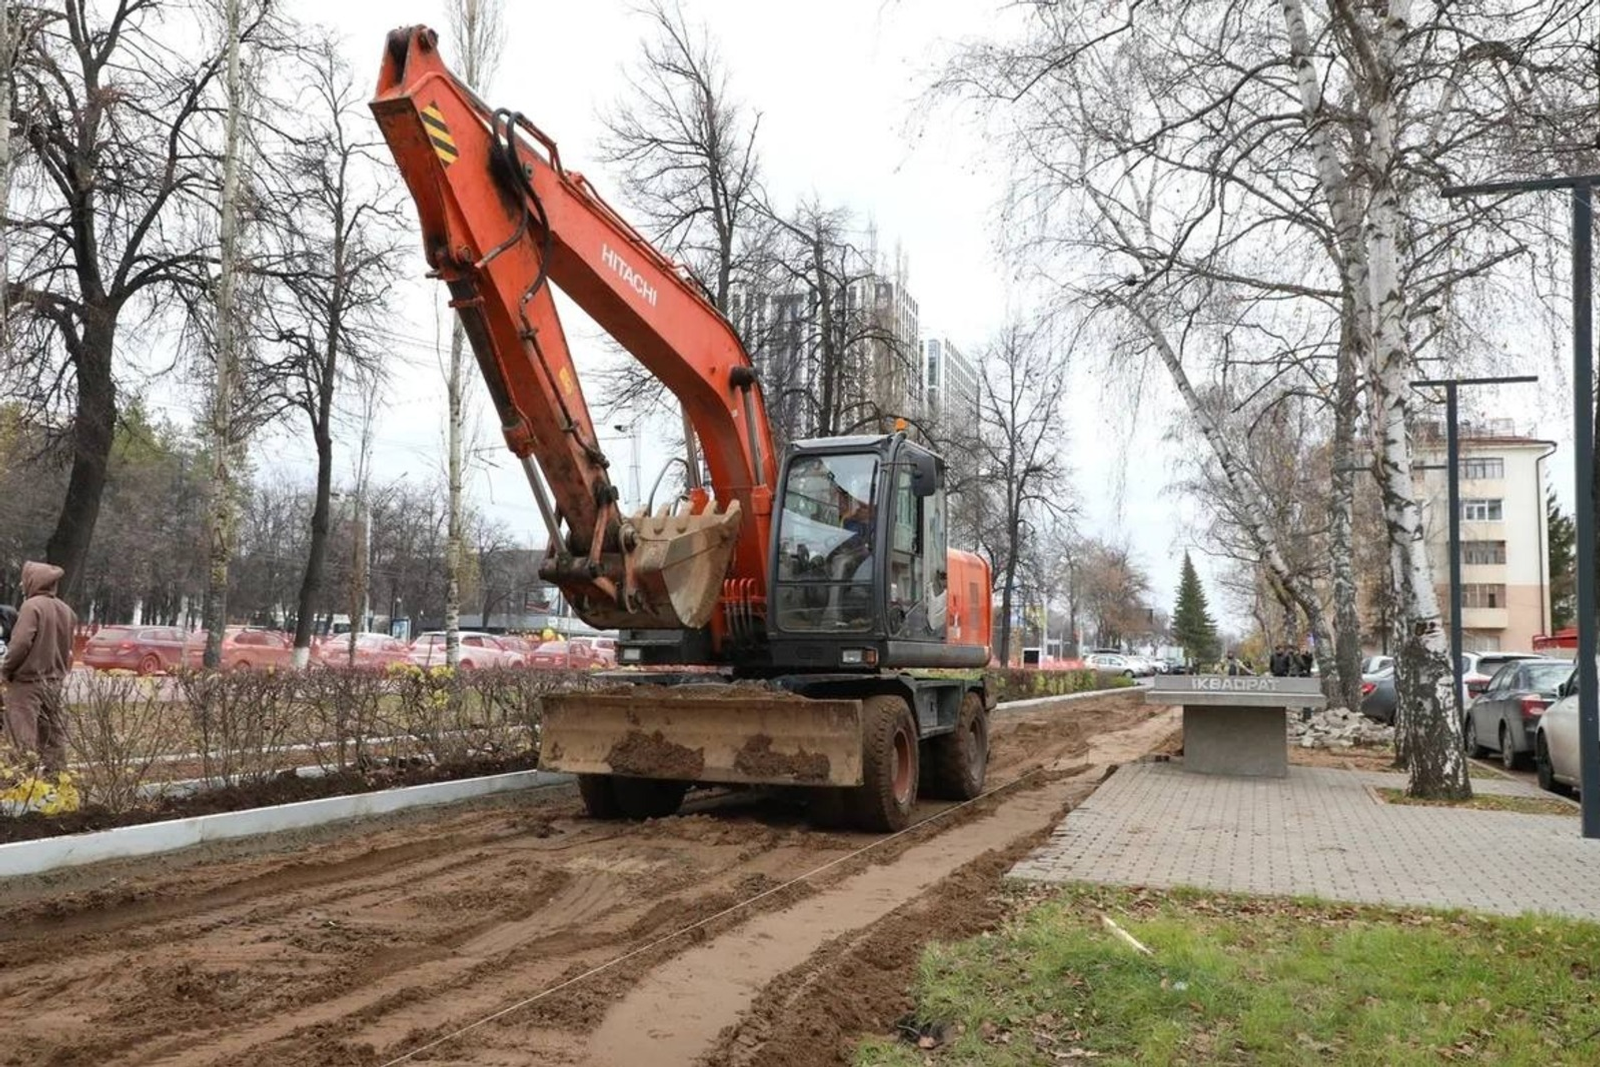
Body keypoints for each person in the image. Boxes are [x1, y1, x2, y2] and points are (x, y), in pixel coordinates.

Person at [0, 562, 78, 774]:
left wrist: (5, 670)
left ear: (33, 581)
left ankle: (20, 778)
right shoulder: (66, 610)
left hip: (27, 682)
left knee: (20, 731)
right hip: (54, 681)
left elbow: (21, 643)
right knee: (52, 731)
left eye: (25, 580)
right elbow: (68, 648)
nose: (22, 585)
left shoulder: (31, 606)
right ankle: (57, 775)